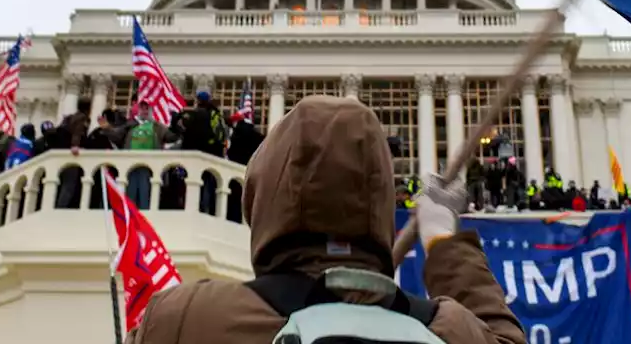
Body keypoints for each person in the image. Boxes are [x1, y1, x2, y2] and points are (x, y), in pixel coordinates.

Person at [129, 95, 526, 344]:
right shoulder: (449, 329)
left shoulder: (186, 320)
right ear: (379, 196)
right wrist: (442, 243)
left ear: (263, 196)